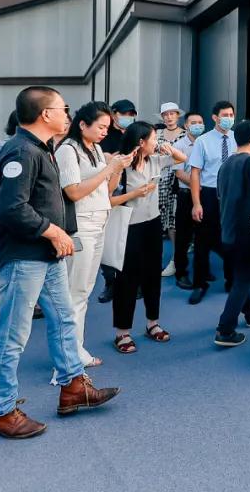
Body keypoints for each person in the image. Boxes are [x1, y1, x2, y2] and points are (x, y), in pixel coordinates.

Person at [0, 86, 120, 439]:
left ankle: (74, 386)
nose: (67, 115)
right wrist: (53, 231)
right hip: (23, 257)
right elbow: (12, 208)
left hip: (47, 255)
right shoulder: (22, 151)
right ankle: (1, 411)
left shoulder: (41, 148)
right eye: (63, 108)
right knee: (12, 336)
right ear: (45, 114)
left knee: (63, 319)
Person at [56, 102, 132, 368]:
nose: (104, 132)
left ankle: (74, 348)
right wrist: (108, 169)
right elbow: (73, 191)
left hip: (99, 222)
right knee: (74, 292)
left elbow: (107, 189)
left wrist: (117, 168)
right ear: (82, 124)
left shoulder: (96, 149)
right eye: (100, 127)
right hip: (81, 225)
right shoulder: (67, 150)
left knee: (84, 290)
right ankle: (69, 354)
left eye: (107, 128)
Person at [109, 121, 188, 353]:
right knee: (127, 279)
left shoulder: (155, 160)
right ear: (141, 142)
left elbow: (182, 158)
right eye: (154, 139)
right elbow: (108, 198)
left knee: (153, 275)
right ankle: (122, 332)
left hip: (153, 224)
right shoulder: (122, 164)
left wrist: (168, 148)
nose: (157, 142)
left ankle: (152, 323)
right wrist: (135, 193)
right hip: (129, 227)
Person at [214, 120, 250, 347]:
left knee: (241, 274)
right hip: (246, 231)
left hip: (227, 229)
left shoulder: (226, 164)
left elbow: (220, 195)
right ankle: (225, 329)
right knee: (243, 279)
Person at [187, 100, 238, 304]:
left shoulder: (238, 138)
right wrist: (196, 203)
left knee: (232, 239)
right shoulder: (203, 141)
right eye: (225, 115)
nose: (229, 119)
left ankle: (232, 281)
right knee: (202, 241)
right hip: (209, 194)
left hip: (233, 194)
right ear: (215, 117)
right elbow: (195, 173)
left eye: (231, 115)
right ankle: (199, 284)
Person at [94, 99, 137, 304]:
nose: (127, 118)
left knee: (130, 240)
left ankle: (131, 282)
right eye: (124, 114)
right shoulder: (104, 135)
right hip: (108, 192)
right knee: (109, 240)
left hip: (134, 190)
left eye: (131, 115)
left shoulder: (134, 134)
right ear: (114, 114)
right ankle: (110, 281)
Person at [167, 111, 206, 287]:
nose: (197, 125)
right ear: (186, 126)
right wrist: (198, 185)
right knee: (183, 236)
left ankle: (203, 271)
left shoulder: (206, 142)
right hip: (186, 195)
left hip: (205, 194)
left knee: (203, 235)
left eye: (200, 122)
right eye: (193, 122)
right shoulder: (179, 145)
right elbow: (179, 173)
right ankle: (181, 273)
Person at [156, 103, 185, 259]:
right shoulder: (156, 134)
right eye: (165, 114)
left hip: (177, 182)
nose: (169, 117)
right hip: (158, 182)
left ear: (177, 115)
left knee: (174, 221)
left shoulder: (185, 134)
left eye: (172, 113)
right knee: (157, 220)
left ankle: (175, 257)